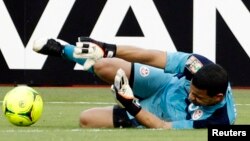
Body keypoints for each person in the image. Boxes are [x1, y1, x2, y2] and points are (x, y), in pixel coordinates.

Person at [33, 37, 237, 129]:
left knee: (86, 119)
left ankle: (128, 109)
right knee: (104, 65)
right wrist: (108, 48)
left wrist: (131, 104)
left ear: (217, 97)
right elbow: (151, 56)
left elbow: (163, 127)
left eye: (197, 97)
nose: (190, 97)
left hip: (155, 114)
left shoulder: (220, 121)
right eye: (191, 91)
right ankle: (62, 49)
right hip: (162, 84)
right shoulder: (198, 65)